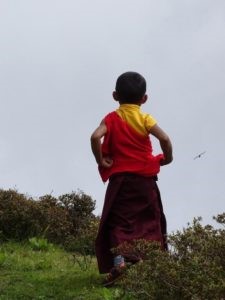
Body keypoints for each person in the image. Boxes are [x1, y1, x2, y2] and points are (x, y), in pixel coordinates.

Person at [90, 71, 173, 286]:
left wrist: (101, 161)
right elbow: (164, 138)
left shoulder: (111, 118)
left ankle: (120, 263)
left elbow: (95, 136)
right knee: (150, 222)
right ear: (144, 99)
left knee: (118, 223)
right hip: (145, 181)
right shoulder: (145, 118)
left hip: (121, 183)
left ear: (115, 96)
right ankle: (152, 269)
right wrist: (167, 159)